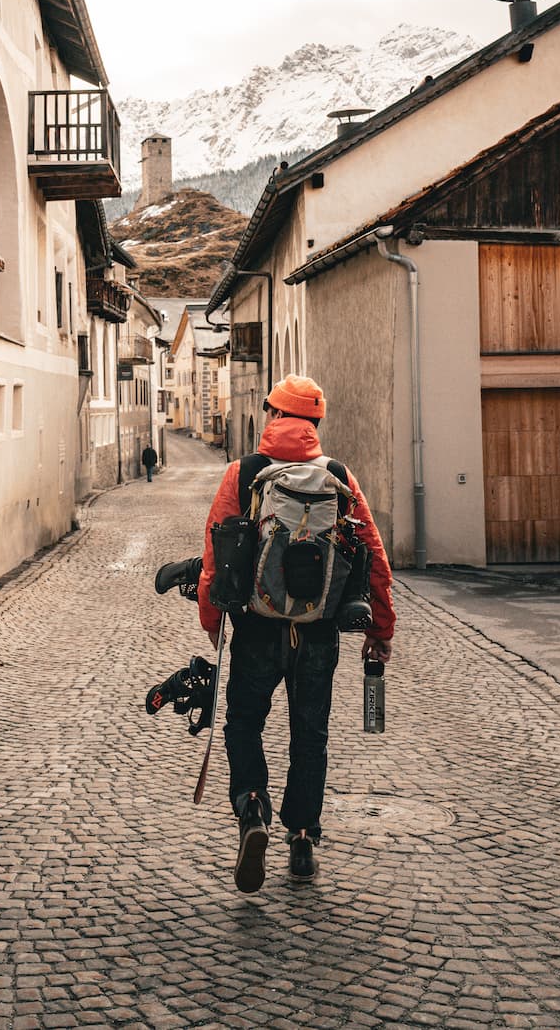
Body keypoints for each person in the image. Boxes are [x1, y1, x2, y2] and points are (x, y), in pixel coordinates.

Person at [197, 374, 395, 893]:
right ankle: (303, 837)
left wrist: (214, 623)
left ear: (272, 416)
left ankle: (253, 809)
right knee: (311, 735)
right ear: (316, 423)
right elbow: (373, 557)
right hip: (319, 632)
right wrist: (380, 628)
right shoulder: (338, 476)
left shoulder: (243, 474)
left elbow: (215, 556)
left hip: (258, 630)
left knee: (243, 724)